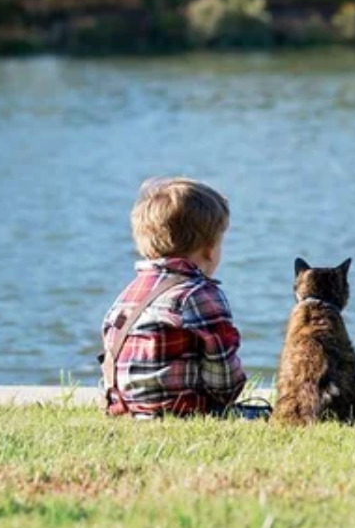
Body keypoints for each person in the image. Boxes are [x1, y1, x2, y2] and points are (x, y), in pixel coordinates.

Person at [100, 177, 250, 417]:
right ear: (210, 249)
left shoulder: (129, 294)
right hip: (181, 411)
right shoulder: (199, 293)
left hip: (127, 410)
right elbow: (225, 382)